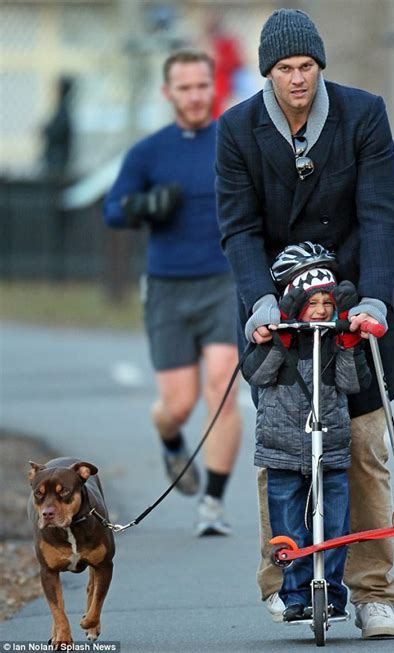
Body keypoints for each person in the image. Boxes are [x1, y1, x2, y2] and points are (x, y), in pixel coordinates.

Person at [216, 8, 394, 640]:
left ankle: (373, 592)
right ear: (267, 72)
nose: (297, 79)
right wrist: (259, 303)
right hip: (277, 312)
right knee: (282, 455)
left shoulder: (364, 114)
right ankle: (286, 580)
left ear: (319, 67)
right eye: (284, 69)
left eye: (306, 67)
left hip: (354, 305)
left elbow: (381, 214)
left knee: (363, 452)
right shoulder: (238, 129)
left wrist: (376, 300)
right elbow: (240, 227)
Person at [103, 50, 241, 536]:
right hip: (167, 288)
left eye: (203, 85)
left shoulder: (235, 138)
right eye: (185, 88)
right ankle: (170, 441)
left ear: (213, 86)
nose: (196, 95)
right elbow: (113, 210)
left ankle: (213, 503)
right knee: (177, 406)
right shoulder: (148, 152)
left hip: (225, 280)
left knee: (223, 387)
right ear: (168, 93)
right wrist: (142, 205)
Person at [242, 244, 372, 622]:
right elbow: (257, 374)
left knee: (333, 524)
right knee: (288, 530)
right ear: (293, 301)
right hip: (281, 450)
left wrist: (348, 341)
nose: (319, 310)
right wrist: (279, 331)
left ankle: (331, 594)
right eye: (310, 301)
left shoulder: (334, 341)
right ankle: (295, 594)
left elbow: (353, 384)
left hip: (329, 448)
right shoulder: (278, 340)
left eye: (326, 302)